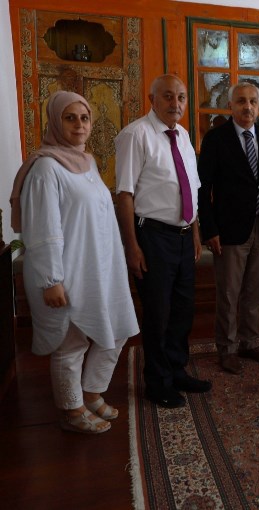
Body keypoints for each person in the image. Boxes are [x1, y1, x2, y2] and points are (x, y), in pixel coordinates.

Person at [10, 90, 138, 434]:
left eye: (84, 118)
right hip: (68, 271)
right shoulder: (46, 168)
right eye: (70, 118)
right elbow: (43, 229)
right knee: (72, 342)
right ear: (55, 122)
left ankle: (92, 391)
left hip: (100, 268)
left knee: (117, 331)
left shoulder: (88, 162)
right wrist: (51, 280)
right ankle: (71, 409)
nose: (79, 125)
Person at [115, 74, 211, 408]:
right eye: (168, 96)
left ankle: (176, 370)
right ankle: (157, 382)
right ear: (152, 99)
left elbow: (191, 188)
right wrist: (131, 246)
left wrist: (194, 232)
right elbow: (124, 195)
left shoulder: (182, 135)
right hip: (153, 237)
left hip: (184, 237)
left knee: (183, 310)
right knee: (158, 312)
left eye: (181, 97)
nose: (176, 103)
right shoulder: (135, 135)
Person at [197, 82, 259, 374]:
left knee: (255, 292)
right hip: (229, 229)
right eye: (241, 101)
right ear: (230, 106)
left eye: (253, 102)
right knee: (229, 293)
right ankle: (228, 348)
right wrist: (209, 230)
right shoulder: (215, 139)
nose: (248, 107)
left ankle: (250, 342)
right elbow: (203, 188)